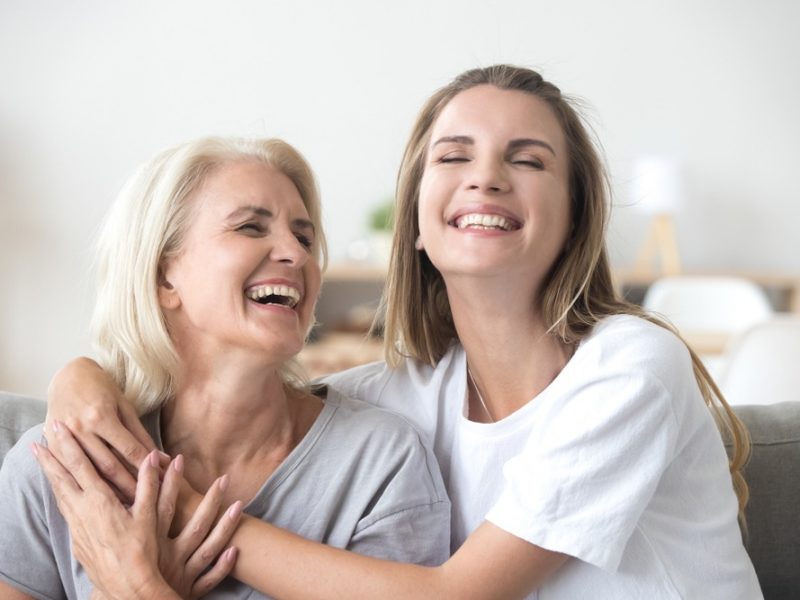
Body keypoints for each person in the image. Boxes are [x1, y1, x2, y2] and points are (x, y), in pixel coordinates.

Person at [41, 65, 761, 598]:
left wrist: (174, 525)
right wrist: (82, 376)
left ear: (575, 214)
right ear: (415, 219)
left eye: (527, 159)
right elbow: (249, 391)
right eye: (453, 156)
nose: (486, 177)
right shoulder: (405, 396)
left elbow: (451, 597)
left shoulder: (631, 367)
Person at [0, 137, 450, 599]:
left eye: (304, 237)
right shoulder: (58, 466)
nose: (296, 255)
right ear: (162, 276)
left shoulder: (380, 464)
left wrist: (138, 588)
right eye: (251, 228)